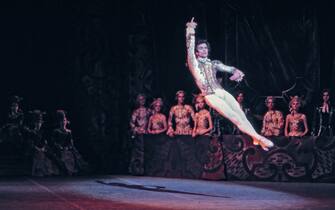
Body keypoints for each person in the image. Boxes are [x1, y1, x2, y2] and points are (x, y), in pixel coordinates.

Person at [185, 18, 273, 150]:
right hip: (210, 95)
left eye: (205, 48)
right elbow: (189, 50)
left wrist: (237, 72)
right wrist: (190, 30)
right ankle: (260, 138)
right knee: (234, 117)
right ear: (197, 52)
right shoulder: (194, 64)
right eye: (201, 48)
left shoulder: (213, 63)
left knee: (241, 115)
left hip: (221, 91)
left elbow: (229, 68)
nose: (204, 50)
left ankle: (255, 138)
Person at [50, 110, 88, 175]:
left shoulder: (68, 132)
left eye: (64, 120)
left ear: (66, 121)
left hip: (67, 149)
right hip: (58, 149)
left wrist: (68, 147)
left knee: (71, 155)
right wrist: (59, 147)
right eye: (61, 121)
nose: (63, 122)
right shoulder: (56, 131)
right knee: (62, 157)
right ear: (59, 122)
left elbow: (70, 142)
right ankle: (65, 170)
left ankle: (72, 170)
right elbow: (53, 141)